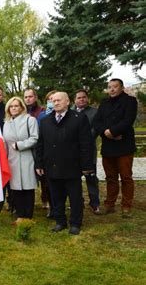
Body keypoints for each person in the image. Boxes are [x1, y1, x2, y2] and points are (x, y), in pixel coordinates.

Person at [35, 92, 94, 235]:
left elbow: (86, 144)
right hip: (52, 166)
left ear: (67, 102)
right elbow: (40, 144)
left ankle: (75, 223)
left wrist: (86, 166)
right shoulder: (45, 121)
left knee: (75, 197)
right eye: (53, 101)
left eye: (59, 100)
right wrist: (39, 164)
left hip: (72, 166)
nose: (55, 103)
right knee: (56, 197)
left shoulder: (78, 118)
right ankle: (60, 221)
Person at [93, 78, 137, 218]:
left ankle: (126, 206)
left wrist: (113, 131)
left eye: (115, 86)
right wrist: (106, 132)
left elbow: (128, 120)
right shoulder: (104, 103)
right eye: (109, 87)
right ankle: (109, 205)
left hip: (124, 145)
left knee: (126, 177)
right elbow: (97, 121)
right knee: (110, 177)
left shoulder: (130, 101)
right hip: (108, 145)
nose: (111, 89)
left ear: (121, 87)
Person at [3, 97, 38, 222]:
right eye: (11, 106)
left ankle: (28, 216)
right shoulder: (6, 123)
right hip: (11, 159)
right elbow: (5, 142)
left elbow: (35, 138)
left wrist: (20, 145)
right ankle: (19, 214)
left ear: (22, 107)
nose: (13, 108)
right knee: (16, 188)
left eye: (16, 106)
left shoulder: (30, 120)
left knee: (28, 187)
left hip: (26, 157)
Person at [73, 89, 101, 214]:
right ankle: (78, 202)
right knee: (74, 180)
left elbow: (95, 131)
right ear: (74, 100)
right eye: (79, 98)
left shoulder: (95, 113)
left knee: (91, 179)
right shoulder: (70, 113)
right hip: (73, 152)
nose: (81, 99)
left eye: (84, 97)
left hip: (88, 151)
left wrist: (81, 138)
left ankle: (94, 204)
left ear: (87, 98)